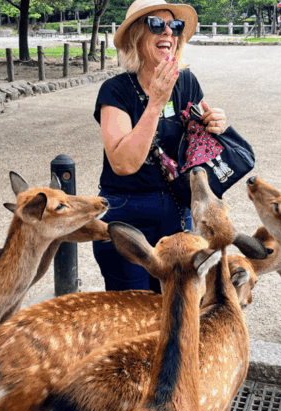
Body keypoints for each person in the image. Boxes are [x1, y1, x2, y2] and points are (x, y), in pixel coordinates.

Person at [92, 0, 228, 292]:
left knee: (175, 312)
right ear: (136, 36)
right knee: (134, 318)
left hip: (178, 215)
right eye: (157, 24)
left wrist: (217, 123)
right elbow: (124, 163)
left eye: (175, 26)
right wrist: (155, 103)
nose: (168, 32)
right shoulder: (115, 91)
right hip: (128, 216)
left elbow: (205, 133)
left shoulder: (187, 82)